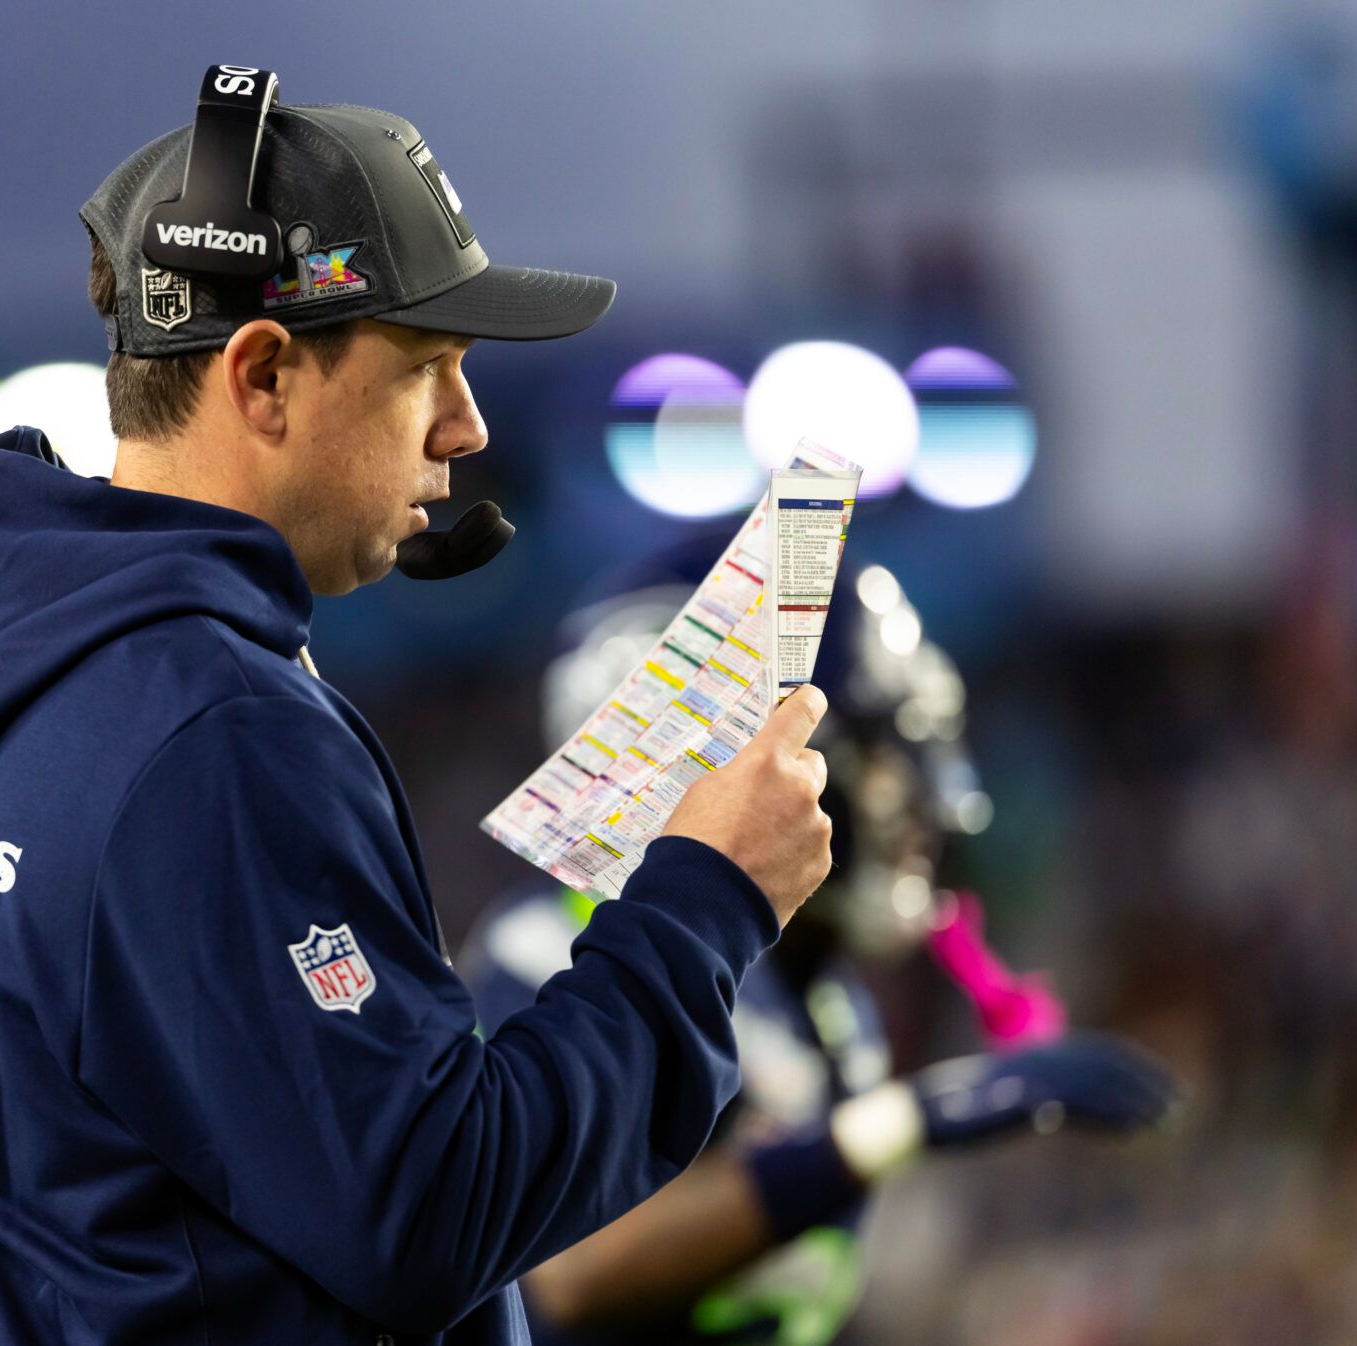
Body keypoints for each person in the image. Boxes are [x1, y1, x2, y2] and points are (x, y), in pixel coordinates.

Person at [0, 73, 835, 1345]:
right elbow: (433, 1210)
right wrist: (709, 899)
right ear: (265, 374)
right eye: (429, 368)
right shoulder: (218, 734)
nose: (464, 429)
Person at [461, 558, 1180, 1344]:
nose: (923, 799)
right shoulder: (549, 950)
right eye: (875, 753)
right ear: (719, 753)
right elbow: (569, 1272)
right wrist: (906, 1122)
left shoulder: (835, 1008)